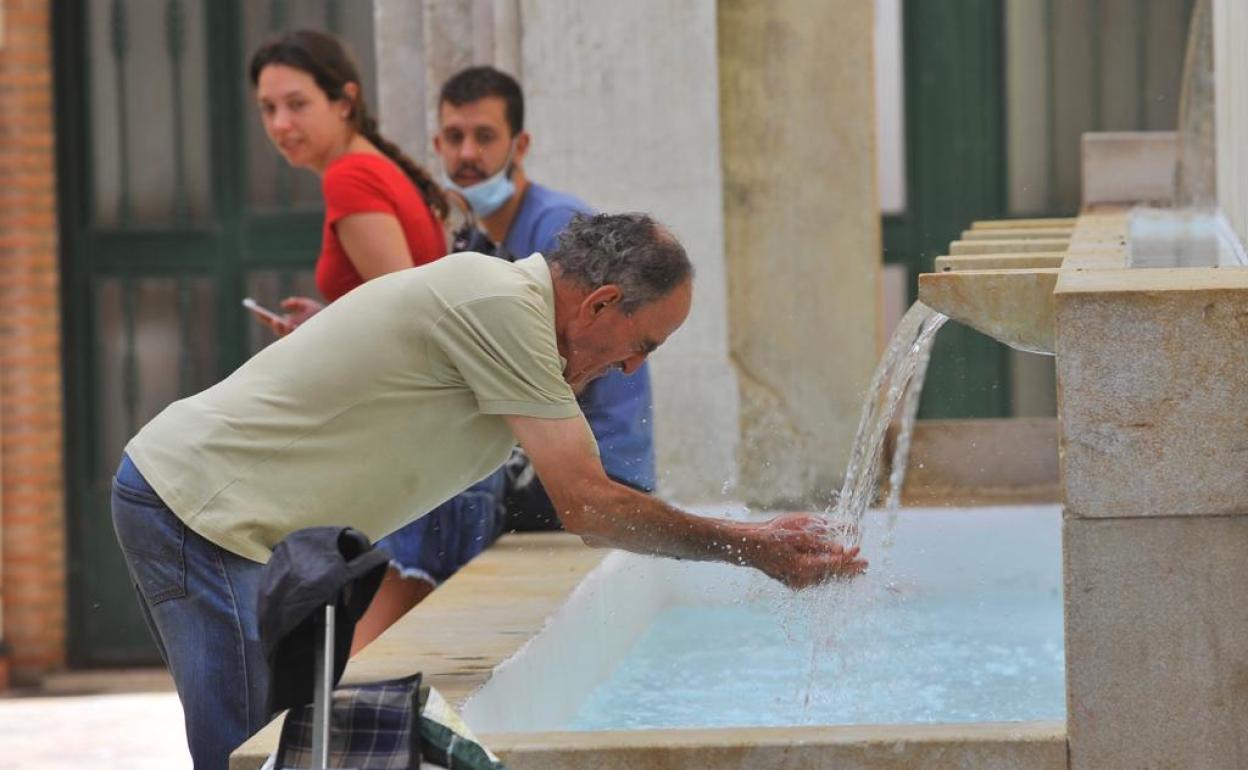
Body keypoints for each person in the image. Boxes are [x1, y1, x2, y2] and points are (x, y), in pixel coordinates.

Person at [110, 212, 866, 769]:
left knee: (279, 750)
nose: (634, 369)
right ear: (600, 305)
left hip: (222, 518)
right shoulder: (504, 310)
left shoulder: (514, 317)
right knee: (251, 753)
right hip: (199, 513)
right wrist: (751, 547)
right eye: (644, 345)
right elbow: (591, 504)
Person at [246, 30, 502, 644]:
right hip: (435, 439)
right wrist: (327, 319)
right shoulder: (379, 168)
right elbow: (406, 299)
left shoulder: (352, 177)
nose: (281, 123)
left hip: (413, 444)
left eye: (297, 103)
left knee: (357, 672)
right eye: (268, 108)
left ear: (344, 100)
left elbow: (405, 313)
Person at [432, 66, 659, 532]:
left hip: (599, 468)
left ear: (520, 146)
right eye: (454, 137)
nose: (467, 153)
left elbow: (565, 364)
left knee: (438, 508)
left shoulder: (558, 227)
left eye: (485, 136)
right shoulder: (477, 241)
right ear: (437, 145)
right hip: (542, 460)